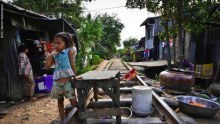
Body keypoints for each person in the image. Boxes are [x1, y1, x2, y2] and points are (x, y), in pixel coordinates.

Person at [45, 32, 78, 120]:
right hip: (57, 83)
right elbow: (47, 67)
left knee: (73, 101)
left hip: (68, 82)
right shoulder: (53, 54)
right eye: (55, 43)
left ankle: (79, 115)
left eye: (59, 43)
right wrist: (50, 56)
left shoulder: (68, 51)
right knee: (60, 100)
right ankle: (62, 118)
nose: (56, 45)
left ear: (66, 44)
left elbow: (72, 64)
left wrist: (75, 77)